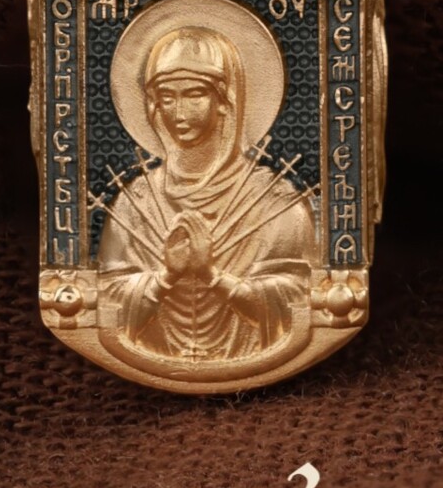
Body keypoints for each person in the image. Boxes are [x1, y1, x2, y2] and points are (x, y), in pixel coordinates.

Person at [98, 22, 315, 371]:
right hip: (153, 351)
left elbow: (297, 296)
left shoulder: (273, 199)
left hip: (252, 350)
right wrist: (165, 277)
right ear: (153, 105)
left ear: (225, 100)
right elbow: (107, 298)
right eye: (167, 97)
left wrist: (213, 275)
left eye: (194, 94)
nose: (179, 112)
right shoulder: (136, 200)